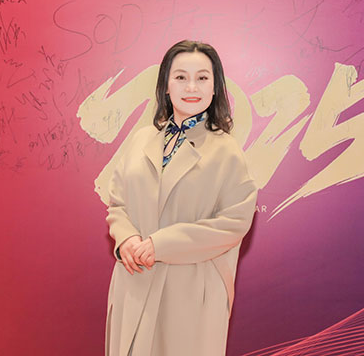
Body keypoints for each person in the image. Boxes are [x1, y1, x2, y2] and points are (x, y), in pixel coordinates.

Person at [105, 40, 258, 356]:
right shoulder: (141, 139)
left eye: (202, 78)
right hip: (135, 280)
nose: (191, 87)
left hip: (190, 288)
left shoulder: (226, 151)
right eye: (180, 77)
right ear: (165, 85)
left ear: (215, 88)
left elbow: (234, 222)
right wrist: (127, 238)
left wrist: (162, 244)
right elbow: (118, 203)